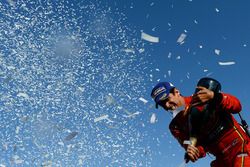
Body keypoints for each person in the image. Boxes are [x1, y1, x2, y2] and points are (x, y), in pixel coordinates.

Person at [151, 78, 250, 167]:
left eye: (167, 99)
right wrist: (194, 152)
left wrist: (215, 97)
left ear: (176, 92)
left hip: (242, 150)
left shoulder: (203, 97)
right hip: (221, 161)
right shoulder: (175, 127)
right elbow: (194, 147)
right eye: (162, 104)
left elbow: (237, 106)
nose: (167, 105)